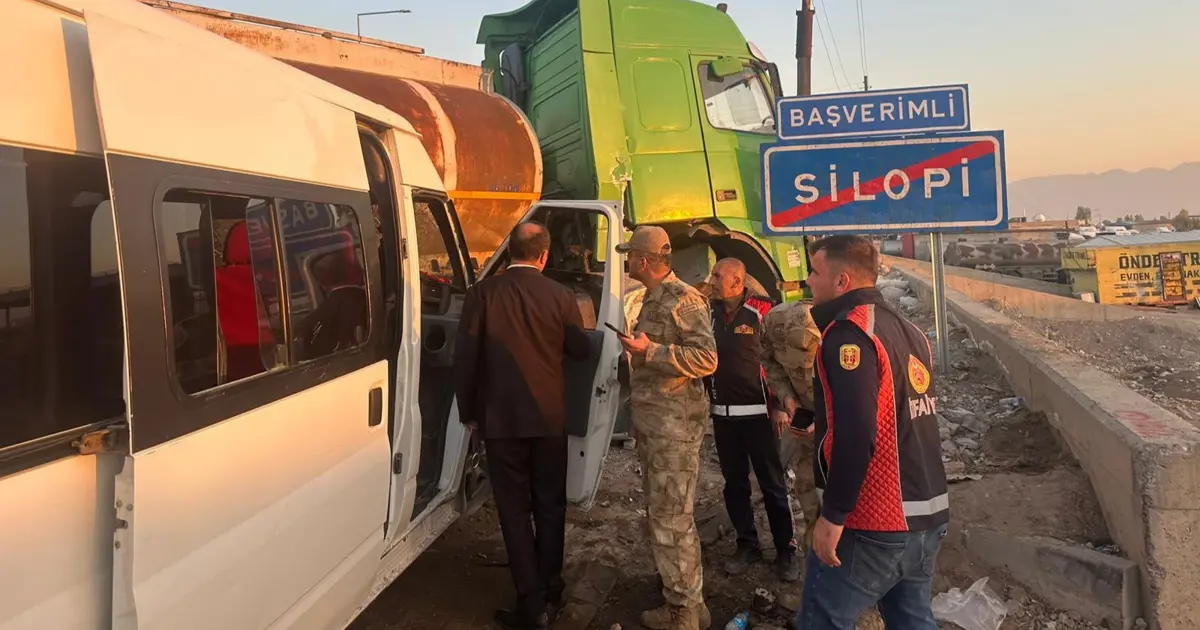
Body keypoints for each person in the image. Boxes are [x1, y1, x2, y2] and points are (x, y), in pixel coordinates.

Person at [797, 235, 949, 630]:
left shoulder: (848, 335)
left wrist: (832, 516)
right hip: (928, 515)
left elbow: (856, 432)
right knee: (912, 619)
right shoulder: (910, 332)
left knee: (822, 620)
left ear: (842, 281)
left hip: (875, 522)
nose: (808, 281)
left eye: (815, 272)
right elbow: (897, 417)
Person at [452, 221, 592, 630]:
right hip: (548, 419)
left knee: (514, 512)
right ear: (544, 256)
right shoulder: (561, 296)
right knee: (550, 504)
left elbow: (466, 358)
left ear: (509, 251)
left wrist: (469, 412)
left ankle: (531, 605)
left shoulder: (482, 294)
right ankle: (552, 587)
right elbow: (581, 350)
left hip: (501, 421)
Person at [616, 226, 718, 630]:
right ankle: (691, 603)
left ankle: (682, 613)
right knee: (668, 513)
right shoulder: (654, 299)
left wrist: (650, 350)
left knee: (671, 518)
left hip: (674, 430)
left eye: (629, 256)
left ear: (643, 261)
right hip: (658, 426)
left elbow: (707, 358)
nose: (625, 262)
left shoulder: (683, 299)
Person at [704, 258, 799, 582]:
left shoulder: (762, 311)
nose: (711, 280)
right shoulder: (708, 313)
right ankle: (747, 544)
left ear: (736, 281)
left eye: (717, 275)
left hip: (760, 416)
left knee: (772, 485)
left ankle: (786, 550)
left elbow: (779, 359)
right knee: (734, 485)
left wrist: (779, 405)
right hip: (723, 416)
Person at [758, 298, 823, 560]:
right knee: (809, 500)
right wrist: (786, 397)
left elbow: (862, 398)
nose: (802, 370)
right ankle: (815, 571)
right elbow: (768, 362)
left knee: (845, 513)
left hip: (842, 437)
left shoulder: (842, 332)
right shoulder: (774, 323)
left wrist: (828, 420)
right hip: (806, 436)